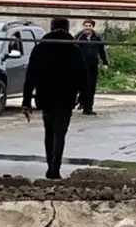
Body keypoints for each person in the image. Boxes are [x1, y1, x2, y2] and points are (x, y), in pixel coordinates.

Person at [21, 17, 89, 180]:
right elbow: (83, 76)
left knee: (49, 133)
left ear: (51, 28)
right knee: (60, 134)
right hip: (66, 97)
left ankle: (50, 166)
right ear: (67, 29)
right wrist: (84, 98)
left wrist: (26, 101)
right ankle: (54, 168)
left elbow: (30, 75)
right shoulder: (74, 49)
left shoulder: (40, 48)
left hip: (45, 96)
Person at [74, 18, 109, 115]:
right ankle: (81, 100)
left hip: (93, 66)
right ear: (83, 26)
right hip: (81, 66)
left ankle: (88, 108)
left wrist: (105, 62)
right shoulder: (79, 37)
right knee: (81, 85)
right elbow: (73, 49)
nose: (87, 28)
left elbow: (102, 50)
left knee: (91, 87)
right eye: (86, 25)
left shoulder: (97, 37)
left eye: (89, 26)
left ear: (93, 27)